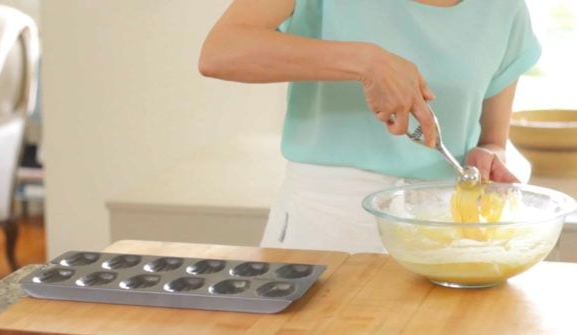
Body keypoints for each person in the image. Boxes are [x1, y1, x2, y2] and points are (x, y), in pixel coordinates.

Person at [199, 0, 541, 253]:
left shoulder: (505, 9)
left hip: (445, 232)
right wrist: (367, 61)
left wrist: (488, 155)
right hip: (325, 223)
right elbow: (220, 52)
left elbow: (494, 140)